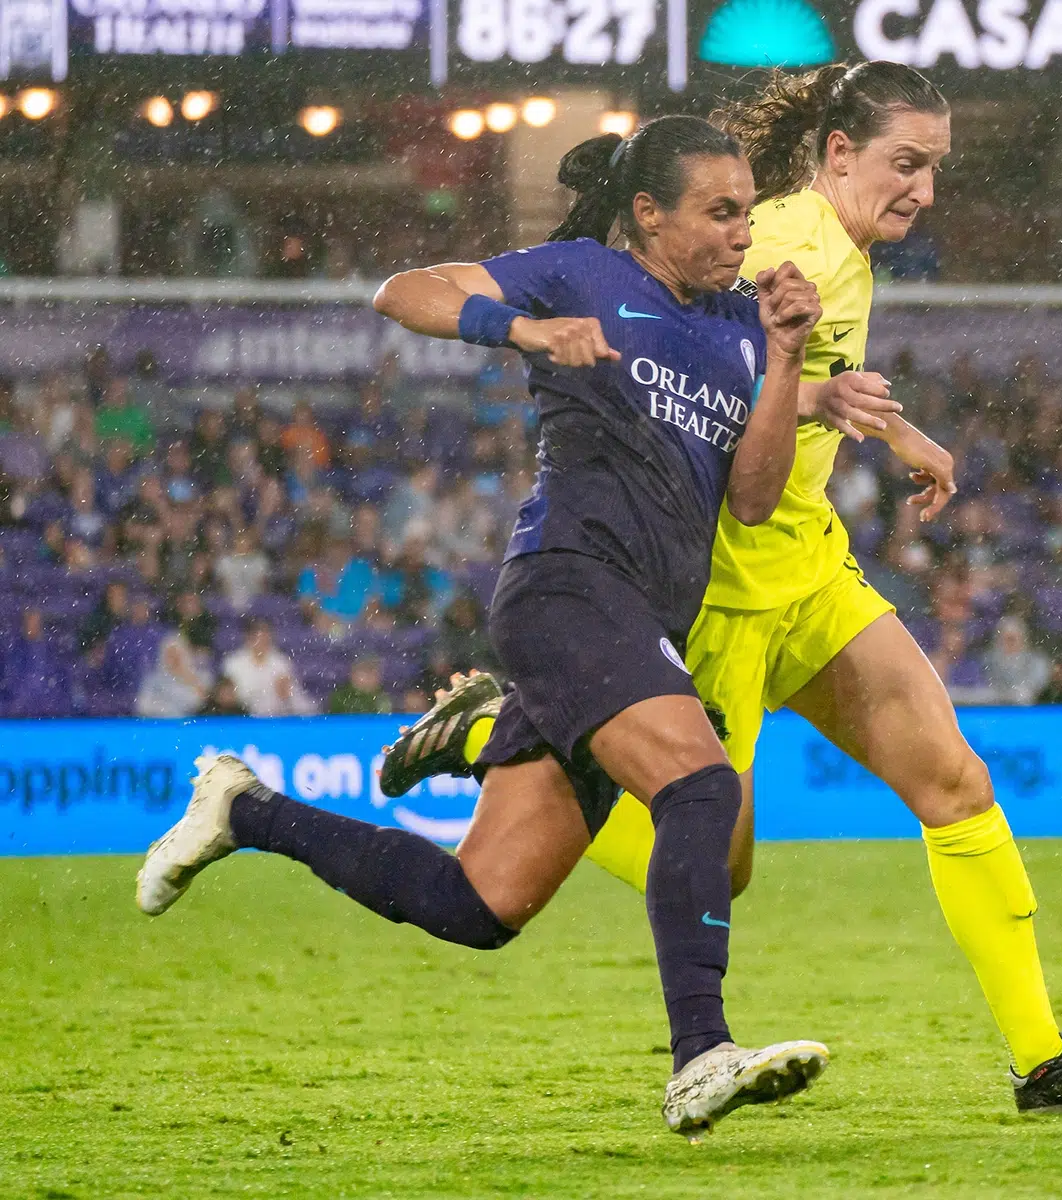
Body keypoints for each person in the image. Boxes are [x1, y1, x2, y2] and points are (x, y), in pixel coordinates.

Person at [380, 65, 1062, 1114]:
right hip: (723, 595)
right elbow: (685, 369)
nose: (924, 190)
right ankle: (495, 738)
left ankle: (1041, 1059)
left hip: (812, 572)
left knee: (956, 784)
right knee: (722, 863)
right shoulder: (775, 241)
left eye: (935, 168)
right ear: (839, 154)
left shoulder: (841, 250)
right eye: (906, 164)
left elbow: (801, 380)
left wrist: (896, 428)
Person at [138, 116, 829, 1140]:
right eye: (720, 212)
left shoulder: (736, 325)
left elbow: (758, 499)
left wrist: (783, 359)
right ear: (649, 213)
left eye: (748, 211)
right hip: (568, 589)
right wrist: (519, 328)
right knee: (700, 787)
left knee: (479, 905)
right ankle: (700, 1055)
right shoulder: (581, 275)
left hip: (636, 617)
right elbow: (403, 291)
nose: (744, 233)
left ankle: (245, 811)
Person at [220, 620, 315, 716]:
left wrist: (287, 694)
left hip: (275, 718)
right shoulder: (232, 663)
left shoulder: (281, 662)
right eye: (257, 637)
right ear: (248, 638)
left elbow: (295, 697)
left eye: (265, 637)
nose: (262, 641)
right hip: (242, 718)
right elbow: (226, 697)